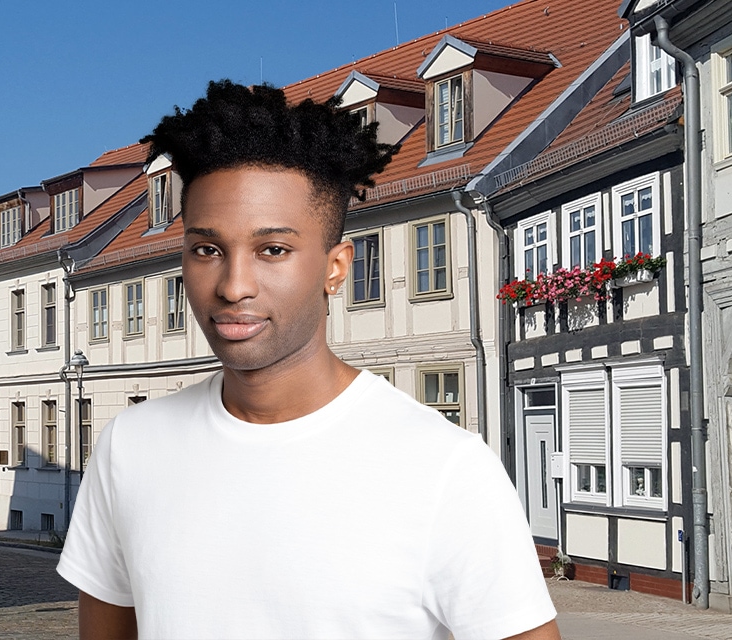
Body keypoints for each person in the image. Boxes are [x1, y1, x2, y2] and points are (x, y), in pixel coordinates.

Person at [57, 79, 560, 640]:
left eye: (273, 250)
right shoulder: (131, 445)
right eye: (207, 249)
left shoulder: (446, 468)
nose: (233, 285)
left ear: (335, 267)